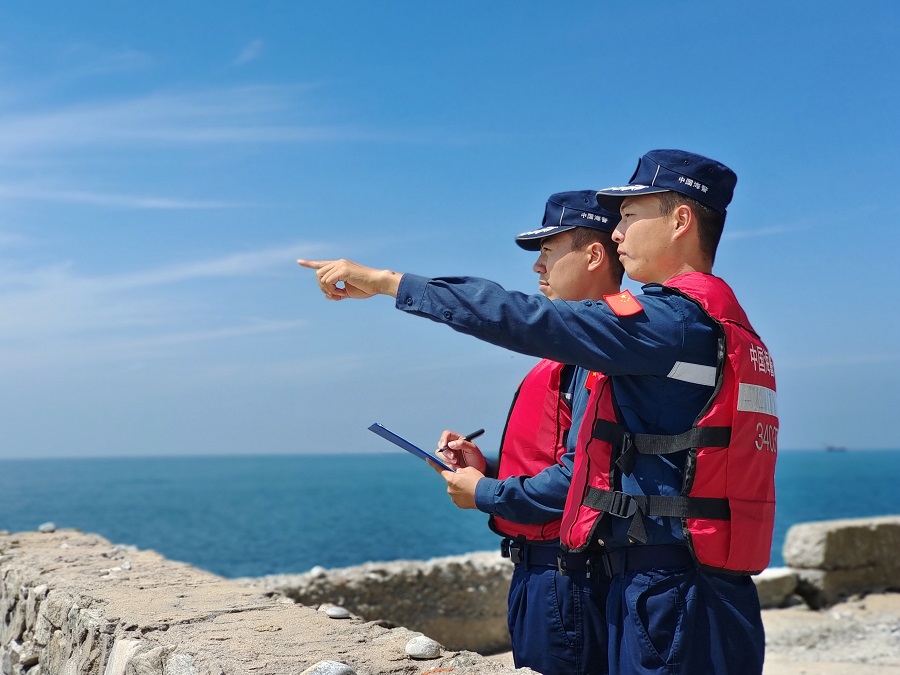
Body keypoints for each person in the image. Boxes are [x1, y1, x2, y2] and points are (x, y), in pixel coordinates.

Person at [298, 149, 778, 675]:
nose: (617, 235)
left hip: (673, 596)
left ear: (681, 220)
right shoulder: (723, 327)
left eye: (631, 217)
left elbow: (527, 319)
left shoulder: (671, 324)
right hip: (690, 586)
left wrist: (392, 282)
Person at [435, 190, 623, 675]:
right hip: (546, 574)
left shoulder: (602, 357)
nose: (538, 268)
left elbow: (581, 482)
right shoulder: (581, 353)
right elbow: (575, 457)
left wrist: (486, 493)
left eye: (547, 251)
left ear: (594, 254)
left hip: (568, 579)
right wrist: (487, 467)